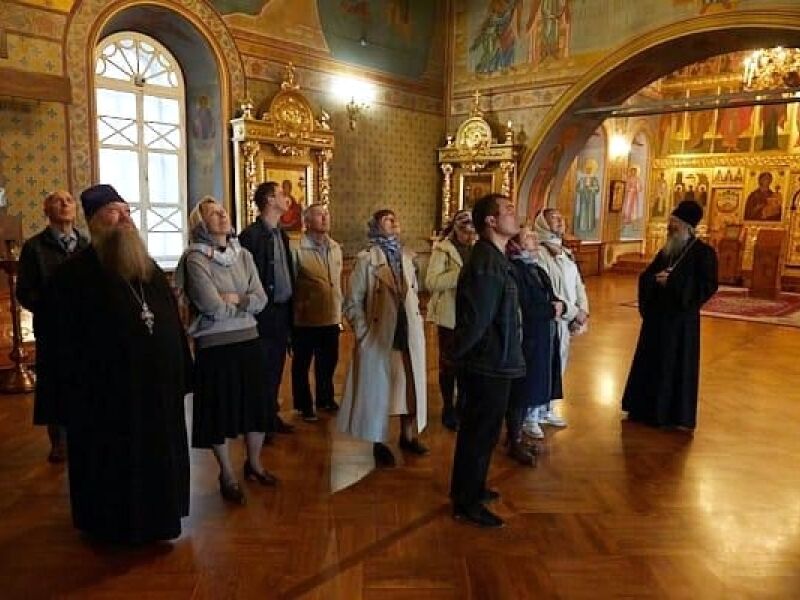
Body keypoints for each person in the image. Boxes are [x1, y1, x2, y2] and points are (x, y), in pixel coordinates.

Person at [43, 184, 190, 543]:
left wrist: (180, 371)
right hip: (105, 398)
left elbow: (171, 324)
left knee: (157, 459)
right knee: (112, 465)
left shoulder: (147, 268)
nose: (125, 218)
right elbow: (60, 346)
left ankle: (159, 521)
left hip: (156, 392)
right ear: (94, 221)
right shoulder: (72, 277)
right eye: (114, 211)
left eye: (127, 211)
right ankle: (110, 527)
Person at [176, 197, 274, 506]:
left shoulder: (242, 254)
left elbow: (261, 299)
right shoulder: (194, 259)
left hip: (249, 339)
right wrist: (241, 303)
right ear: (200, 225)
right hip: (215, 346)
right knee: (220, 413)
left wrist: (236, 299)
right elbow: (211, 306)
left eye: (223, 211)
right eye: (213, 213)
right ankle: (227, 475)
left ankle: (254, 463)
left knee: (256, 407)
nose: (222, 215)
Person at [449, 194, 524, 528]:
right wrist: (459, 357)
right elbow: (477, 321)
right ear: (491, 221)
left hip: (495, 360)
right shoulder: (486, 263)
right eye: (508, 210)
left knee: (485, 433)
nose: (515, 215)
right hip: (487, 364)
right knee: (478, 434)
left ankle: (473, 488)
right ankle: (466, 502)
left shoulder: (494, 257)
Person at [338, 209, 428, 468]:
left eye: (395, 218)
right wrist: (364, 334)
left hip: (407, 333)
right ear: (376, 226)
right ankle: (379, 442)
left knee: (409, 387)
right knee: (381, 392)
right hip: (380, 336)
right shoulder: (367, 259)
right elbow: (352, 302)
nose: (394, 221)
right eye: (388, 219)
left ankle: (407, 436)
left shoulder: (407, 257)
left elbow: (414, 294)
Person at [622, 200, 718, 430]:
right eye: (670, 222)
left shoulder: (704, 253)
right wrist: (654, 280)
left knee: (673, 367)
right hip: (656, 319)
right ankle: (642, 409)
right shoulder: (667, 250)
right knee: (651, 364)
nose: (670, 227)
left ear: (687, 227)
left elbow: (708, 286)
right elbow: (646, 276)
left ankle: (669, 415)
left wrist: (673, 282)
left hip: (680, 323)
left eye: (674, 224)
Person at [16, 190, 89, 463]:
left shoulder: (86, 244)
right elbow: (25, 291)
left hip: (85, 328)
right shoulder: (34, 247)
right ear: (46, 210)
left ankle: (86, 434)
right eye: (58, 201)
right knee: (55, 383)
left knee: (84, 380)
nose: (65, 204)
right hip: (53, 329)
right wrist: (51, 308)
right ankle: (58, 441)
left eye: (69, 200)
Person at [239, 181, 295, 436]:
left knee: (275, 368)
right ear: (270, 200)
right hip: (262, 313)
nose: (287, 198)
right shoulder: (251, 236)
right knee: (260, 370)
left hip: (282, 312)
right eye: (282, 194)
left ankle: (270, 416)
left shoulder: (281, 234)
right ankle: (259, 423)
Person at [506, 225, 563, 464]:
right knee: (521, 390)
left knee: (533, 386)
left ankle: (518, 436)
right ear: (516, 244)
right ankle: (514, 439)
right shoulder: (514, 269)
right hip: (527, 338)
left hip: (543, 335)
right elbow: (524, 307)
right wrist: (551, 309)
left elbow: (550, 295)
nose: (535, 239)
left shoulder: (537, 269)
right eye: (528, 236)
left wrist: (558, 305)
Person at [531, 208, 589, 433]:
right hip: (550, 318)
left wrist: (582, 312)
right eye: (554, 218)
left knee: (559, 364)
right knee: (542, 366)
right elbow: (549, 291)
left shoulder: (565, 252)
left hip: (567, 318)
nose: (560, 221)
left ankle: (547, 408)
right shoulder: (538, 253)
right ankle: (531, 414)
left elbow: (578, 285)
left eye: (561, 217)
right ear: (542, 224)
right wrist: (572, 312)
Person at [290, 203, 343, 421]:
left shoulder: (335, 247)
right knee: (302, 364)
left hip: (331, 315)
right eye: (319, 215)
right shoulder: (297, 248)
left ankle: (325, 398)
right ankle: (303, 405)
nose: (325, 217)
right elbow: (291, 282)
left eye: (326, 214)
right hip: (306, 318)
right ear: (307, 222)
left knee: (328, 362)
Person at [425, 210, 474, 431]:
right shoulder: (443, 250)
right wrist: (461, 275)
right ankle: (448, 407)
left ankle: (464, 404)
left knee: (468, 365)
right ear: (455, 228)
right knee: (449, 364)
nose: (469, 235)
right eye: (464, 230)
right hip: (450, 315)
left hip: (473, 314)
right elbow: (431, 283)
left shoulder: (478, 248)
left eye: (472, 230)